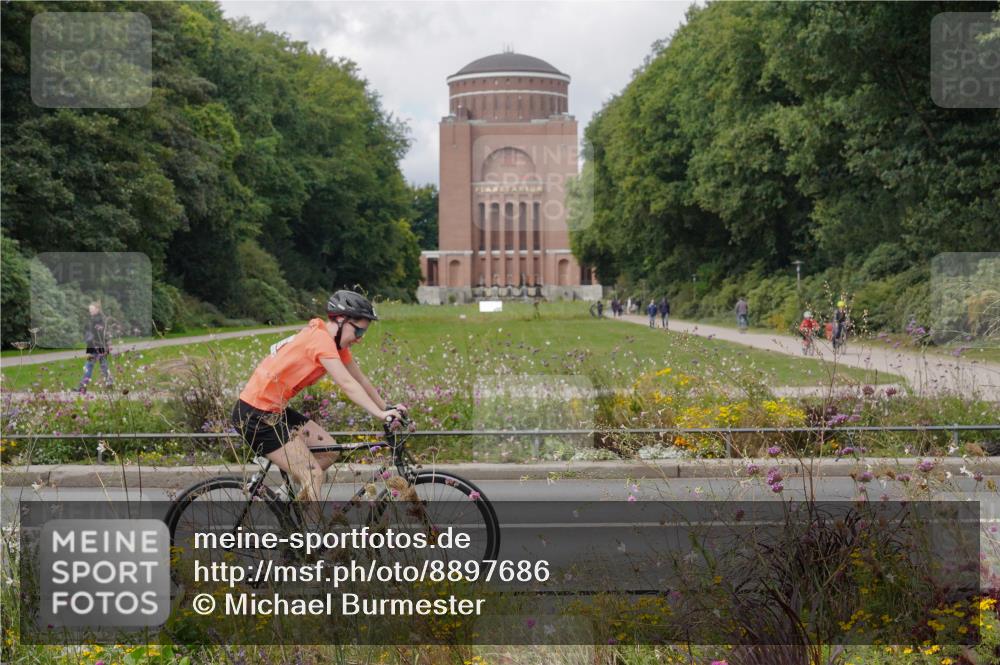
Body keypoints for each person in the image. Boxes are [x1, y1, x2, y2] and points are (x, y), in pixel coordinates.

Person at [231, 290, 405, 511]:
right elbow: (346, 383)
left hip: (273, 410)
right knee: (312, 473)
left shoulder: (332, 343)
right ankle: (312, 541)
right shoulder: (321, 341)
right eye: (359, 330)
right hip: (255, 414)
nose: (360, 338)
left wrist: (386, 407)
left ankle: (290, 502)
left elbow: (359, 378)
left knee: (329, 450)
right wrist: (380, 415)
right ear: (341, 321)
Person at [76, 301, 112, 393]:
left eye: (92, 309)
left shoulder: (96, 320)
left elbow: (94, 334)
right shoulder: (102, 319)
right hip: (101, 346)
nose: (90, 311)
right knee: (103, 365)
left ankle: (82, 387)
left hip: (95, 346)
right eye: (89, 310)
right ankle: (109, 383)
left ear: (97, 309)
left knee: (89, 365)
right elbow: (105, 334)